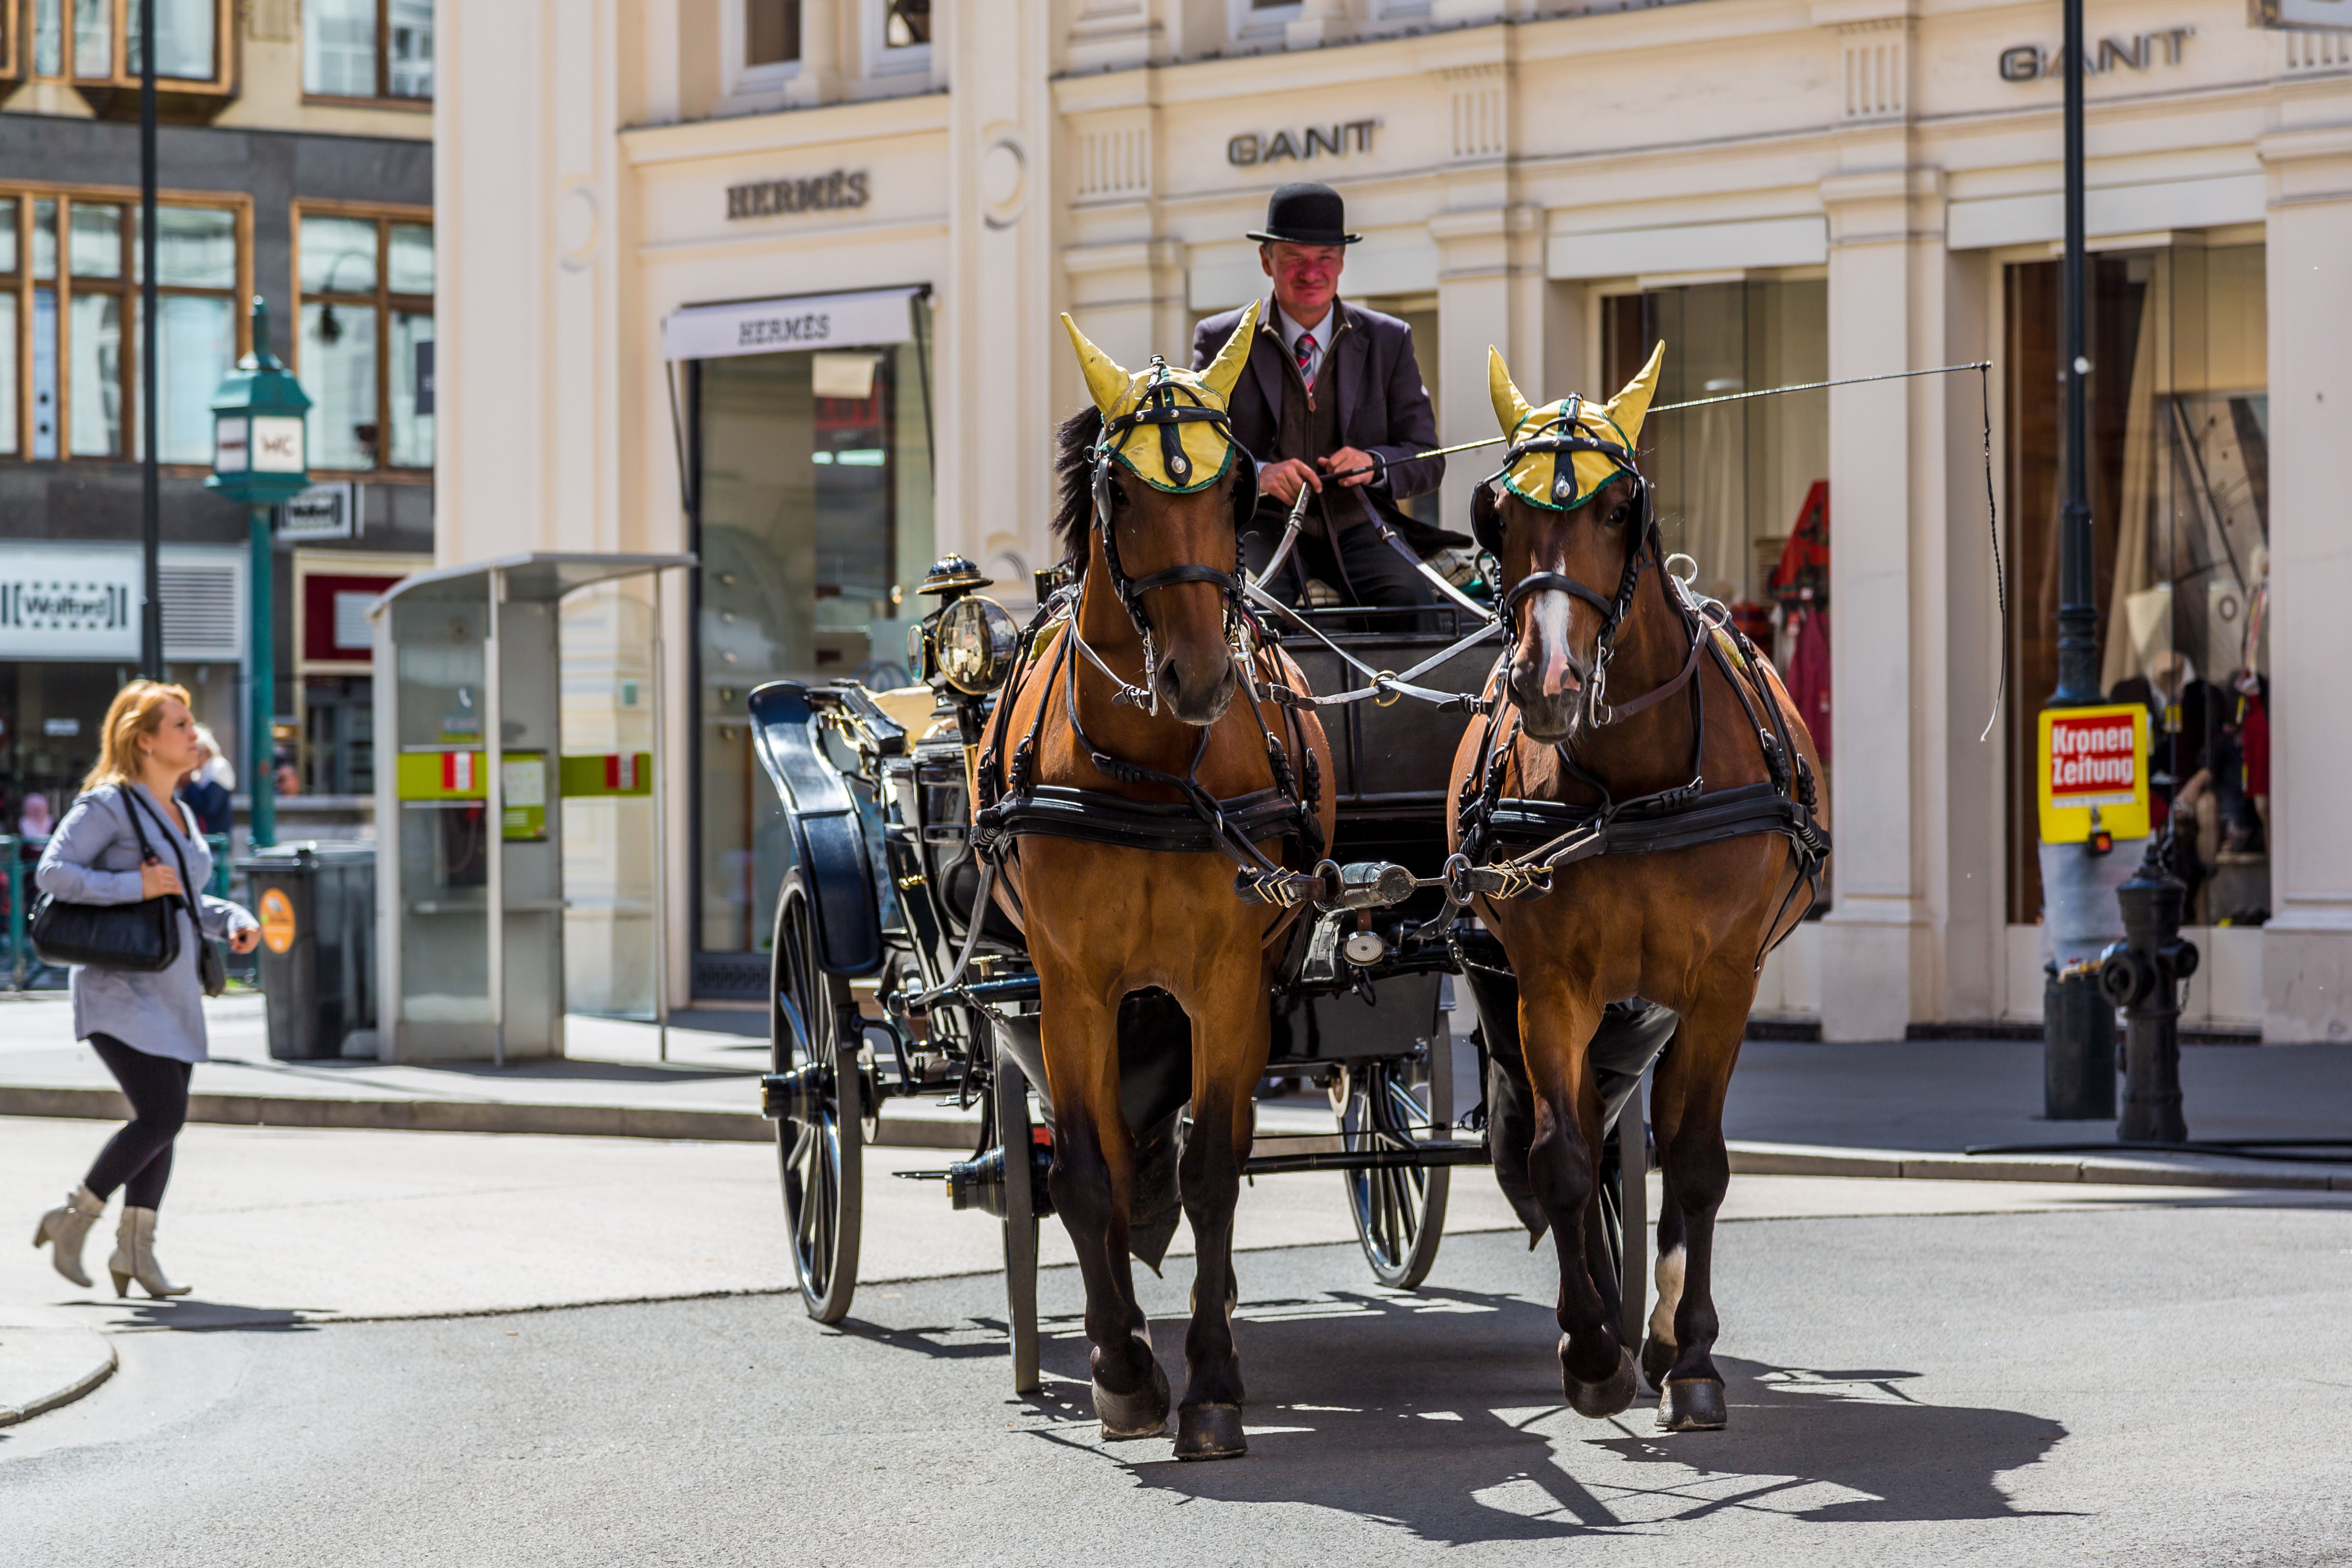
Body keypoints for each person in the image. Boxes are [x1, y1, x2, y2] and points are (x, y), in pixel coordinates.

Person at [30, 681, 260, 1299]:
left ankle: (136, 1251)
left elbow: (181, 896)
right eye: (180, 724)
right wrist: (133, 884)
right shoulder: (108, 805)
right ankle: (75, 1217)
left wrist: (231, 918)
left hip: (174, 987)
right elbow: (52, 873)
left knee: (162, 1122)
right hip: (119, 988)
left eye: (190, 721)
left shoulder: (179, 810)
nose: (193, 732)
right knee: (163, 1113)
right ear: (145, 741)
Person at [1191, 181, 1462, 612]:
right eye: (1294, 258)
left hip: (1361, 525)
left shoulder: (1390, 339)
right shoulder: (1221, 339)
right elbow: (1195, 452)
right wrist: (1258, 474)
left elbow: (1428, 459)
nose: (1311, 272)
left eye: (1325, 258)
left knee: (1414, 604)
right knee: (1249, 607)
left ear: (1342, 261)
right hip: (1260, 525)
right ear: (1266, 260)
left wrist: (1374, 464)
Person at [179, 724, 235, 839]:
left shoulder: (219, 767)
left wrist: (189, 784)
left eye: (194, 751)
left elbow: (210, 808)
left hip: (216, 838)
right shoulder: (198, 773)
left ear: (205, 751)